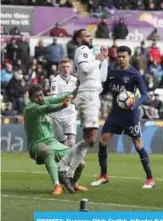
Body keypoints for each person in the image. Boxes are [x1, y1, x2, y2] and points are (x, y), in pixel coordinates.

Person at [90, 46, 155, 188]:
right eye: (119, 56)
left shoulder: (135, 74)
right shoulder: (112, 72)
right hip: (115, 113)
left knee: (138, 144)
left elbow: (145, 95)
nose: (120, 58)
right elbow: (104, 89)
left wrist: (135, 104)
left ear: (129, 57)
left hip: (130, 114)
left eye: (123, 56)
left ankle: (150, 179)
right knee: (103, 141)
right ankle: (103, 175)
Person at [57, 29, 109, 192]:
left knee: (89, 139)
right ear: (79, 40)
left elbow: (102, 78)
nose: (90, 37)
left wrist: (104, 60)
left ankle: (68, 173)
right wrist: (98, 59)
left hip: (93, 96)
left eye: (90, 35)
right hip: (87, 96)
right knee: (91, 139)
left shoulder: (90, 54)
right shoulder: (82, 50)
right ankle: (64, 167)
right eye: (86, 36)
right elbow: (85, 70)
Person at [23, 83, 86, 195]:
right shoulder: (30, 108)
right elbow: (47, 108)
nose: (40, 98)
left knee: (80, 162)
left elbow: (60, 97)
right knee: (48, 151)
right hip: (37, 144)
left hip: (52, 142)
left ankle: (73, 184)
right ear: (31, 98)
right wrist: (62, 106)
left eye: (41, 95)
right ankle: (57, 185)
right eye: (37, 96)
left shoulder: (44, 100)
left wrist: (76, 91)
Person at [50, 58, 77, 147]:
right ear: (60, 69)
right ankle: (68, 159)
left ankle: (74, 159)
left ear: (71, 68)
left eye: (67, 67)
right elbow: (53, 98)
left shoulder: (75, 80)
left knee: (71, 142)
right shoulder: (55, 81)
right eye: (63, 67)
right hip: (58, 115)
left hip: (70, 113)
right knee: (63, 143)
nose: (65, 69)